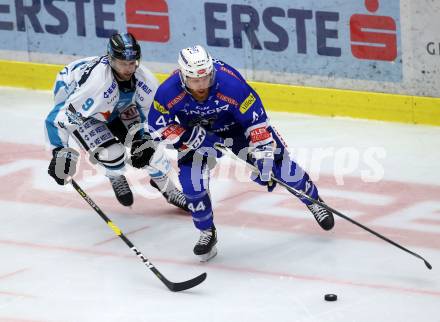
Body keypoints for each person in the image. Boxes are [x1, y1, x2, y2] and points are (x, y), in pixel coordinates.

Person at [148, 45, 335, 261]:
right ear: (183, 76)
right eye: (195, 80)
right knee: (192, 183)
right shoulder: (168, 91)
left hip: (238, 131)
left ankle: (314, 201)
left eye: (206, 78)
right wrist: (191, 137)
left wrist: (263, 161)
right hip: (197, 136)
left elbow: (257, 124)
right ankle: (206, 232)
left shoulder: (232, 85)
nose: (202, 85)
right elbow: (157, 126)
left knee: (279, 166)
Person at [45, 32, 187, 211]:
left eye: (132, 62)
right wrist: (60, 153)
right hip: (87, 112)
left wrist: (145, 139)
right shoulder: (95, 85)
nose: (129, 68)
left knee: (149, 150)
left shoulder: (145, 80)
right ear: (111, 59)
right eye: (123, 63)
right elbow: (57, 120)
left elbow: (153, 117)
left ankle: (169, 189)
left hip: (119, 106)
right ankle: (114, 174)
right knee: (112, 154)